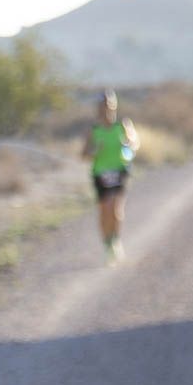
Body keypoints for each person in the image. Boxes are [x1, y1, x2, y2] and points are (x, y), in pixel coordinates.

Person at [82, 89, 140, 263]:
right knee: (104, 209)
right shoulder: (94, 130)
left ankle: (115, 241)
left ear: (114, 105)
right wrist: (94, 151)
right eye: (102, 105)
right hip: (101, 173)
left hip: (119, 170)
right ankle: (107, 243)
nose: (106, 108)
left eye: (108, 104)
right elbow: (84, 154)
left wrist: (129, 144)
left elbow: (135, 143)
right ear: (98, 108)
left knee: (116, 209)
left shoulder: (123, 125)